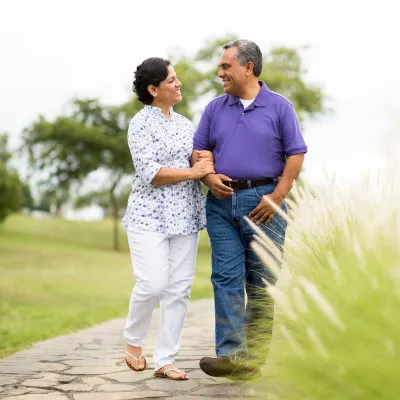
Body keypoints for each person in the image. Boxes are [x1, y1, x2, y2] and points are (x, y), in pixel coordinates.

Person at [192, 39, 307, 379]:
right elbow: (199, 151)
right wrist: (209, 176)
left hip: (265, 204)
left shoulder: (280, 107)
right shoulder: (214, 109)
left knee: (261, 281)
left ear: (248, 68)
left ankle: (252, 359)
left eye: (225, 67)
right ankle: (230, 355)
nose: (219, 73)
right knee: (225, 277)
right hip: (221, 204)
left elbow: (296, 154)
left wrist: (277, 197)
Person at [122, 57, 215, 381]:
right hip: (148, 216)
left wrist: (208, 164)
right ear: (153, 88)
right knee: (152, 284)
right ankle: (133, 341)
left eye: (177, 78)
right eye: (171, 80)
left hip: (185, 217)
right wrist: (194, 170)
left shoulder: (186, 123)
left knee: (178, 289)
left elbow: (200, 160)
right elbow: (151, 173)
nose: (178, 84)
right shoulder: (140, 123)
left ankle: (165, 359)